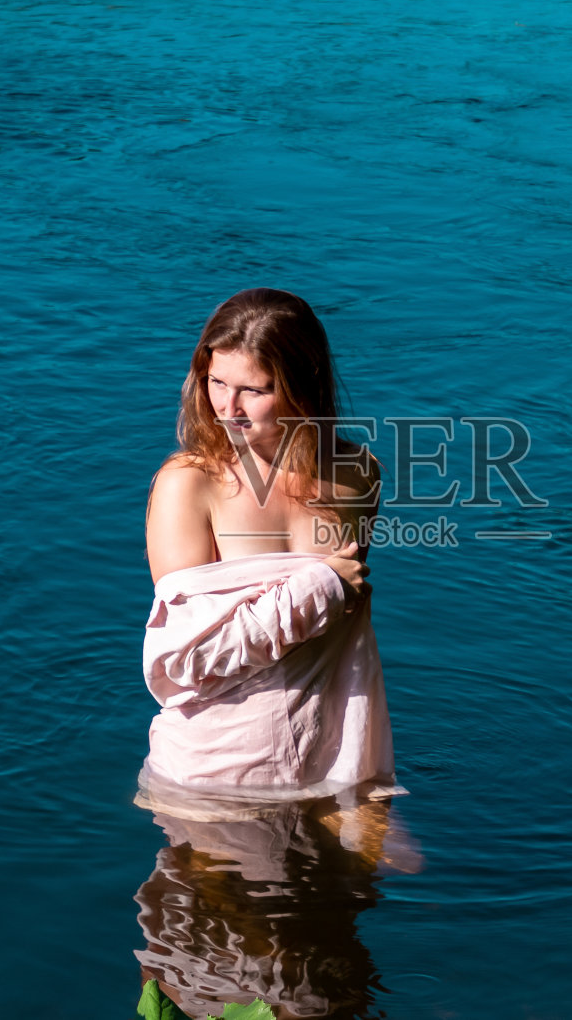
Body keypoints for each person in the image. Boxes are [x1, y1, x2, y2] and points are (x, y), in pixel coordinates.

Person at [138, 288, 405, 821]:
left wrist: (358, 783)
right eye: (215, 382)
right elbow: (181, 661)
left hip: (332, 770)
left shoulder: (357, 475)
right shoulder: (189, 485)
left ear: (300, 387)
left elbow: (340, 641)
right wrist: (318, 590)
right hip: (212, 782)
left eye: (252, 390)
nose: (226, 408)